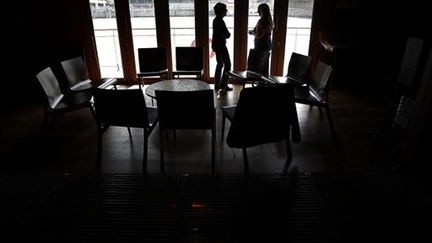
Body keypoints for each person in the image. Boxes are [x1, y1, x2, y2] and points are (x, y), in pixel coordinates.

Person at [212, 2, 233, 94]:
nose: (226, 11)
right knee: (227, 64)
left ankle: (217, 84)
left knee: (220, 64)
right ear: (221, 11)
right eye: (225, 9)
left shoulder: (215, 20)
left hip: (216, 45)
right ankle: (224, 85)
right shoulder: (220, 21)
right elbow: (227, 34)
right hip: (221, 46)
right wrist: (228, 34)